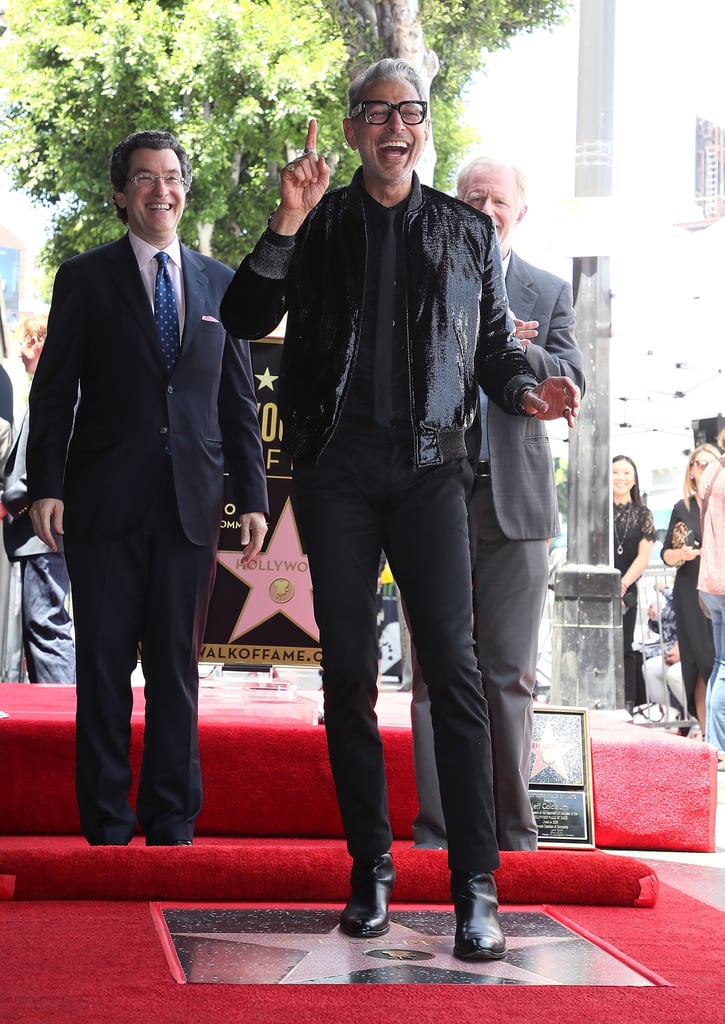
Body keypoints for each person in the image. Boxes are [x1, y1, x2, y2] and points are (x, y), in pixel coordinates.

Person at [220, 58, 580, 960]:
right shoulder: (320, 221)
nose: (393, 126)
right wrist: (284, 223)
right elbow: (241, 314)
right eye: (375, 112)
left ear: (422, 129)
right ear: (351, 132)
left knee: (453, 675)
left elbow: (496, 353)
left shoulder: (462, 231)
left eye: (408, 112)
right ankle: (369, 871)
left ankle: (474, 887)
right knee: (346, 677)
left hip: (430, 474)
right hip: (337, 473)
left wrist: (531, 390)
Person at [26, 130, 269, 847]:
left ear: (184, 189)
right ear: (120, 194)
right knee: (101, 669)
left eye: (170, 177)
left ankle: (171, 821)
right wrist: (46, 484)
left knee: (176, 670)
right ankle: (105, 823)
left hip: (190, 508)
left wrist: (252, 495)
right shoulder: (85, 277)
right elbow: (55, 391)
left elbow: (238, 401)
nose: (160, 190)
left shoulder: (223, 284)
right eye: (144, 179)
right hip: (102, 506)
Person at [409, 154, 584, 853]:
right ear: (455, 205)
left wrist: (512, 343)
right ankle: (436, 830)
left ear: (520, 211)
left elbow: (569, 373)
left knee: (509, 672)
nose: (485, 210)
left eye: (498, 201)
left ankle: (514, 835)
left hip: (517, 505)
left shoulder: (545, 290)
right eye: (472, 198)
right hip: (430, 496)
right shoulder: (418, 281)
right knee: (434, 670)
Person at [1, 315, 76, 683]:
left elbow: (37, 464)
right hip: (45, 527)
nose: (23, 360)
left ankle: (60, 710)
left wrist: (14, 501)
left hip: (42, 530)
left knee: (45, 621)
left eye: (24, 351)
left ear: (36, 343)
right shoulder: (70, 390)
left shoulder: (56, 394)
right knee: (45, 621)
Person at [660, 444, 719, 732]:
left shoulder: (720, 502)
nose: (704, 468)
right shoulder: (682, 508)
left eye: (711, 463)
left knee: (716, 661)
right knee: (699, 664)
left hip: (718, 589)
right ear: (691, 470)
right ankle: (709, 734)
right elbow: (666, 555)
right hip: (690, 591)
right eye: (698, 463)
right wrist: (681, 554)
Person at [612, 455, 655, 712]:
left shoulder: (643, 514)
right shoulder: (598, 510)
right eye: (615, 472)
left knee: (625, 645)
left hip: (626, 590)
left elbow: (644, 557)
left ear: (634, 479)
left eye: (626, 473)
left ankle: (627, 703)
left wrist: (623, 585)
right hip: (597, 588)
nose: (620, 477)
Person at [697, 452, 725, 769]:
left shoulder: (712, 470)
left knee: (721, 663)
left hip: (711, 580)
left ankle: (713, 743)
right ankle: (716, 745)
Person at [641, 584, 685, 716]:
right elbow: (666, 628)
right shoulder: (671, 600)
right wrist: (654, 618)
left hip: (690, 650)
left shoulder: (679, 593)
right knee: (648, 667)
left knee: (674, 674)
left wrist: (662, 589)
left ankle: (698, 720)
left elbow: (678, 598)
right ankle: (667, 716)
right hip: (672, 649)